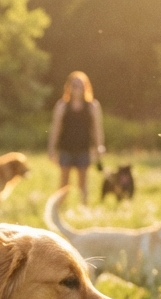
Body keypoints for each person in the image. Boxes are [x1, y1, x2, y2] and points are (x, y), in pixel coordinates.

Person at [47, 71, 105, 205]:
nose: (77, 88)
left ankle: (83, 208)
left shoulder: (92, 106)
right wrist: (51, 148)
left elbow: (97, 129)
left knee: (83, 184)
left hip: (83, 148)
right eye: (74, 85)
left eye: (80, 85)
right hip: (66, 148)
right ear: (69, 87)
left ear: (85, 86)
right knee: (64, 183)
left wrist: (99, 146)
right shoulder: (62, 106)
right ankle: (60, 207)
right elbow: (56, 129)